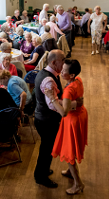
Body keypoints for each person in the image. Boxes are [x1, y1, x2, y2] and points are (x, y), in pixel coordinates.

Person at [33, 49, 83, 188]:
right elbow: (54, 106)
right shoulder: (49, 80)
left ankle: (43, 170)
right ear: (54, 62)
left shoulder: (49, 74)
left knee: (47, 148)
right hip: (46, 120)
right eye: (63, 59)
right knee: (46, 149)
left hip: (43, 118)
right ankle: (40, 176)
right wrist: (75, 104)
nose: (65, 61)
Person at [45, 59, 87, 195]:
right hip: (80, 115)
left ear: (72, 75)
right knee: (72, 147)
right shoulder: (78, 81)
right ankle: (70, 172)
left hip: (72, 121)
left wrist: (52, 98)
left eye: (64, 71)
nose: (61, 72)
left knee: (69, 152)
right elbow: (79, 100)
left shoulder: (68, 90)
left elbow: (63, 112)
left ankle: (78, 184)